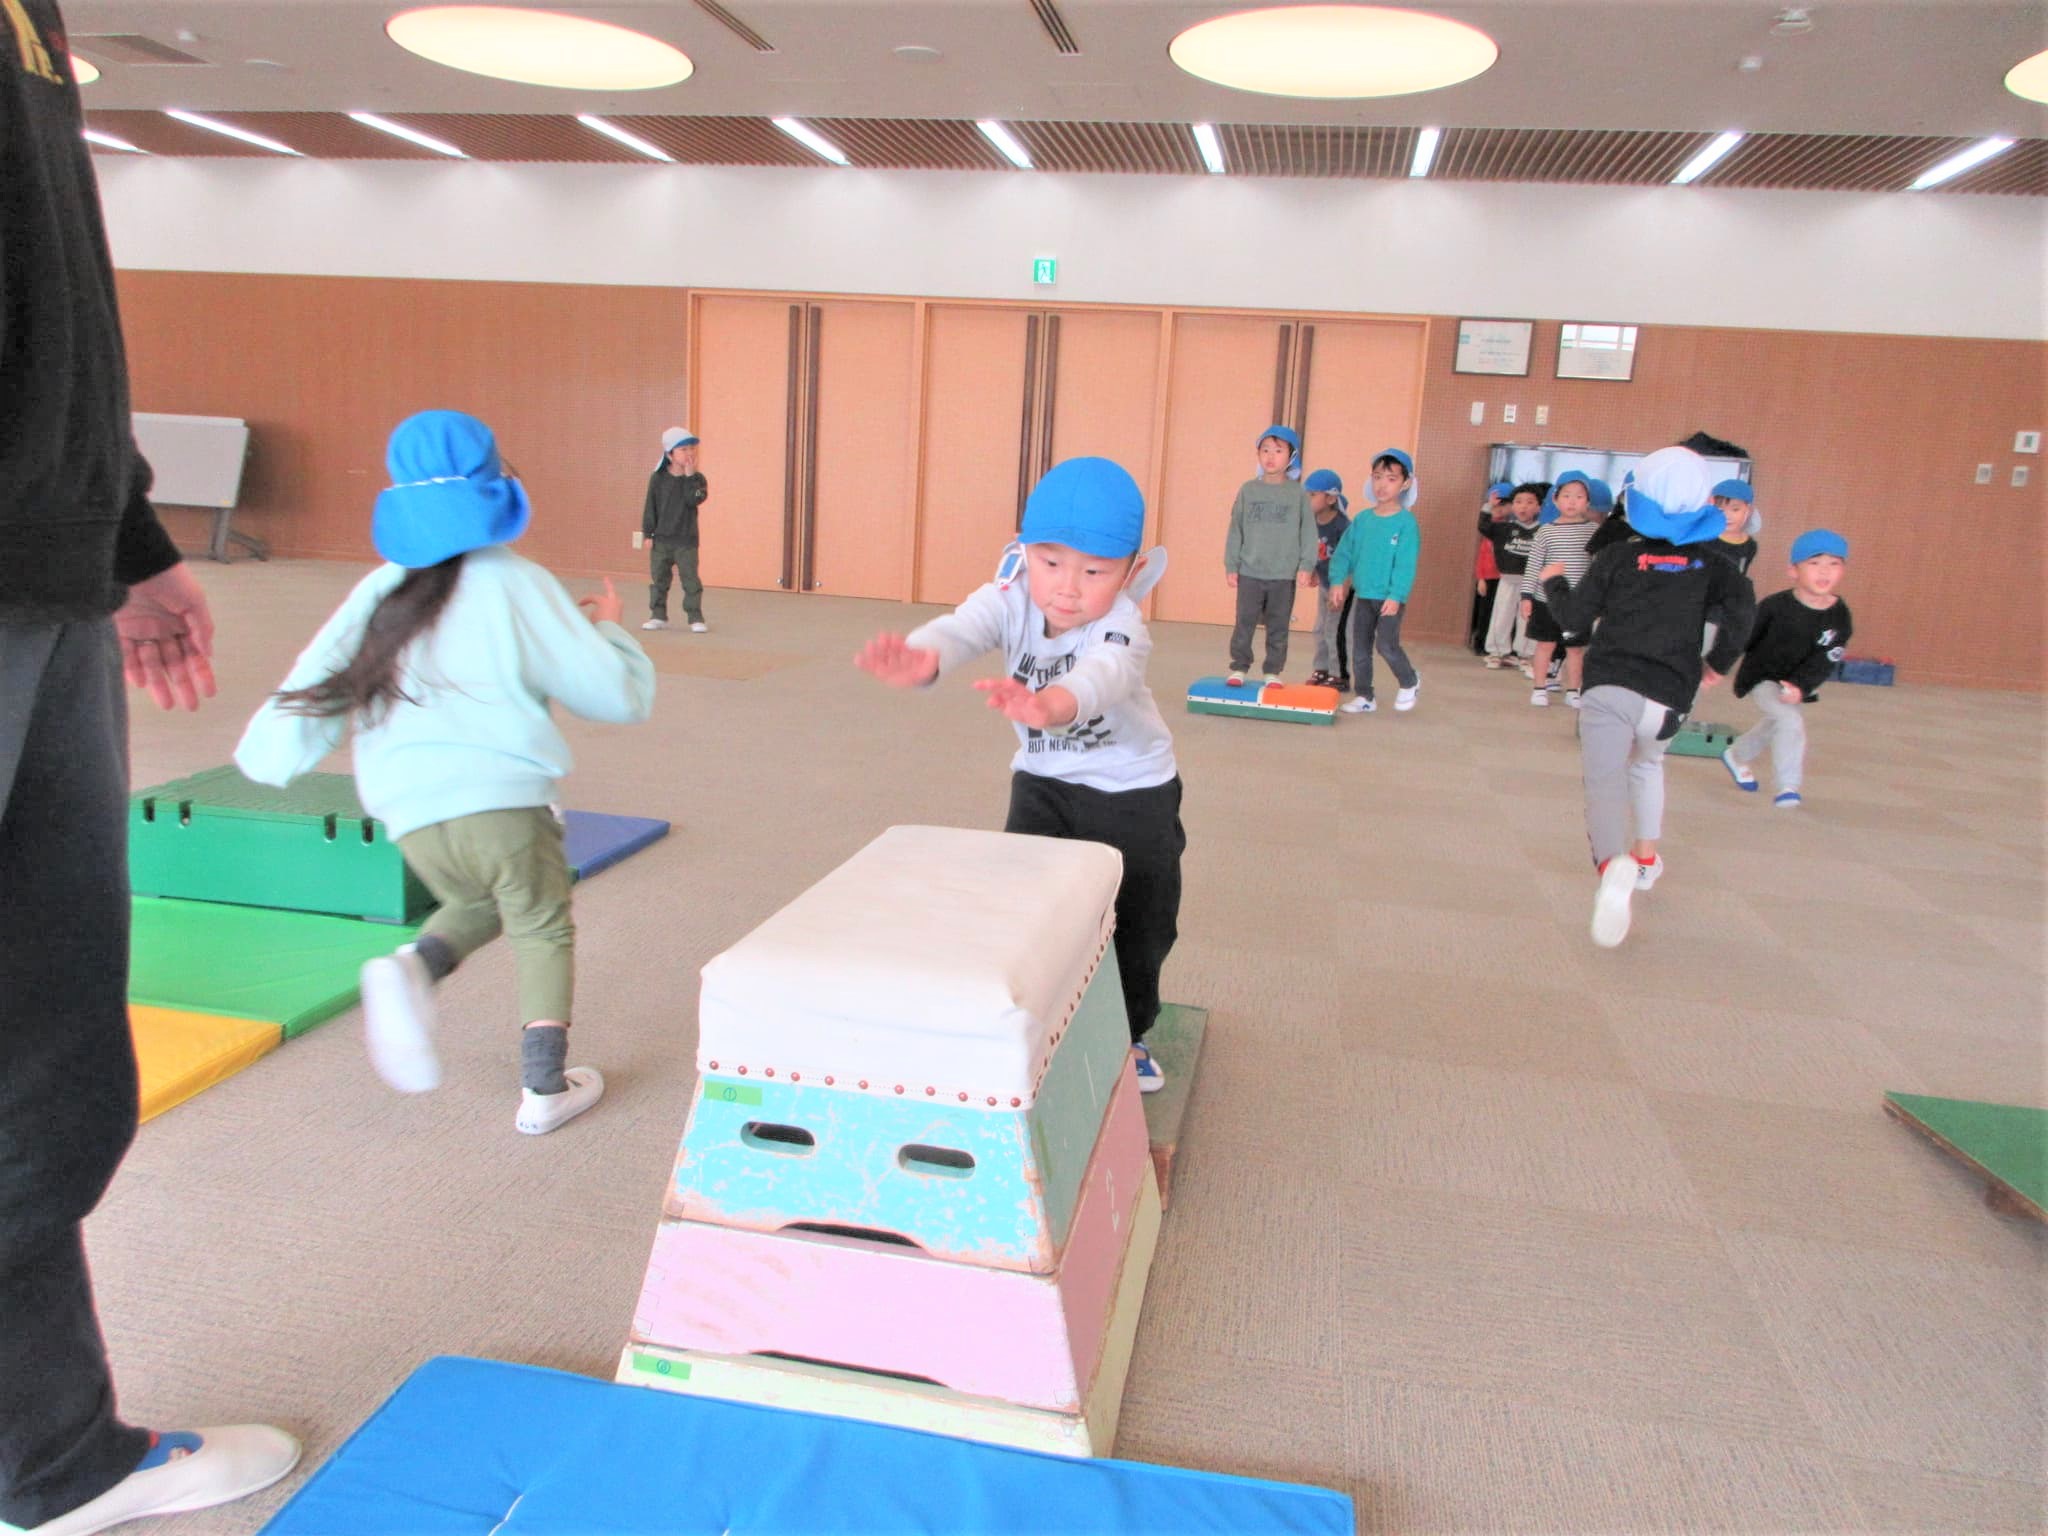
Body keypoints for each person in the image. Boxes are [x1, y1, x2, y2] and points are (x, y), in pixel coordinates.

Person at [2, 6, 302, 1531]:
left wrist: (117, 530)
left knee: (50, 1053)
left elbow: (52, 270)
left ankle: (50, 1457)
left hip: (42, 559)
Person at [236, 411, 656, 1135]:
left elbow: (318, 680)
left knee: (479, 901)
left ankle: (414, 967)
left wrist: (268, 754)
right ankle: (545, 1088)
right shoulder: (517, 582)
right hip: (502, 801)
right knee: (541, 922)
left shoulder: (380, 590)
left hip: (409, 816)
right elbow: (613, 696)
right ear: (496, 485)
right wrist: (610, 628)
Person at [854, 458, 1182, 1094]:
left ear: (1131, 571)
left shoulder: (1122, 623)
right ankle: (1033, 1016)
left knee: (1141, 919)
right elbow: (963, 626)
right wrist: (924, 656)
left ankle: (1128, 1032)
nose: (1067, 588)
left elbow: (1103, 677)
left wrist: (1051, 705)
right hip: (1043, 782)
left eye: (1094, 572)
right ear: (1023, 549)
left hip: (1133, 789)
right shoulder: (1010, 592)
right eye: (1051, 562)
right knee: (1023, 907)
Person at [1540, 447, 1756, 947]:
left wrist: (1554, 584)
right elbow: (1743, 613)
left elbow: (1574, 619)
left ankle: (1611, 864)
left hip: (1609, 685)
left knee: (1604, 781)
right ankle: (1644, 858)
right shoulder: (1715, 565)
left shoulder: (1616, 556)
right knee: (1647, 765)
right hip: (1669, 693)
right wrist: (1718, 662)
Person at [1723, 530, 1853, 810]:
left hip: (1796, 682)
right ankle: (1787, 785)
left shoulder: (1840, 615)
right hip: (1762, 677)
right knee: (1790, 721)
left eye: (1834, 564)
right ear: (1793, 570)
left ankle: (1736, 755)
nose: (1824, 571)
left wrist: (1801, 686)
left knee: (1778, 722)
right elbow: (1745, 637)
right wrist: (1717, 665)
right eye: (1814, 563)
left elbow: (1827, 657)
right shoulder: (1774, 606)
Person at [1327, 450, 1423, 715]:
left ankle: (1409, 680)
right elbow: (1344, 553)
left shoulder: (1406, 523)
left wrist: (1396, 595)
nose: (1382, 485)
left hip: (1389, 598)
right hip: (1364, 595)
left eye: (1391, 479)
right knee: (1360, 648)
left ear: (1405, 483)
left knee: (1386, 645)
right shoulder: (1363, 520)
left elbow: (1405, 564)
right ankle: (1365, 696)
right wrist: (1337, 581)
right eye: (1377, 477)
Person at [1222, 425, 1317, 687]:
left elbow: (1308, 531)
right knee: (1244, 621)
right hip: (1250, 571)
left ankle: (1273, 670)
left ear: (1291, 456)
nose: (1270, 456)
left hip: (1283, 574)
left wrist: (1306, 565)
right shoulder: (1248, 490)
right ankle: (1239, 666)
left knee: (1279, 624)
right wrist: (1232, 565)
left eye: (1278, 450)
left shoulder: (1297, 493)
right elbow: (1236, 529)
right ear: (1258, 454)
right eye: (1265, 450)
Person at [1519, 471, 1604, 709]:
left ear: (1587, 502)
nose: (1572, 501)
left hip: (1578, 603)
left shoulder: (1593, 531)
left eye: (1579, 496)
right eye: (1566, 496)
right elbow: (1534, 565)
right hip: (1545, 600)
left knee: (1575, 649)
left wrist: (1598, 600)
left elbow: (1598, 567)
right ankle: (1539, 688)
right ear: (1555, 500)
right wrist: (1526, 596)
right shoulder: (1546, 530)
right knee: (1545, 645)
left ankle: (1573, 690)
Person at [642, 427, 709, 633]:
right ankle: (658, 615)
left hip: (686, 541)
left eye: (691, 449)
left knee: (690, 580)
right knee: (659, 580)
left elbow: (694, 500)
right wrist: (648, 533)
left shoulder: (697, 480)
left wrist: (689, 476)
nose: (689, 453)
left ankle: (695, 617)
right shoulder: (658, 479)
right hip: (662, 540)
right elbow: (650, 507)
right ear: (670, 454)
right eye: (683, 449)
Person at [1480, 483, 1545, 669]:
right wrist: (1488, 507)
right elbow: (1484, 527)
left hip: (1532, 582)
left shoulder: (1543, 531)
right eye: (1518, 502)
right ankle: (1497, 652)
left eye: (1530, 502)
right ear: (1512, 506)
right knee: (1501, 615)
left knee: (1527, 618)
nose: (1523, 506)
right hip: (1507, 579)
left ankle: (1526, 654)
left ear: (1539, 507)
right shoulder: (1504, 528)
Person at [1302, 467, 1352, 689]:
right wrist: (1314, 570)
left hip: (1340, 588)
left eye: (1313, 495)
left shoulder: (1343, 526)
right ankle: (1321, 669)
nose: (1308, 500)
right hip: (1325, 584)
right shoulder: (1313, 521)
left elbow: (1350, 559)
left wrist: (1342, 588)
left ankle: (1339, 674)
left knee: (1334, 630)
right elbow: (1318, 550)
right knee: (1319, 629)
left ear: (1330, 498)